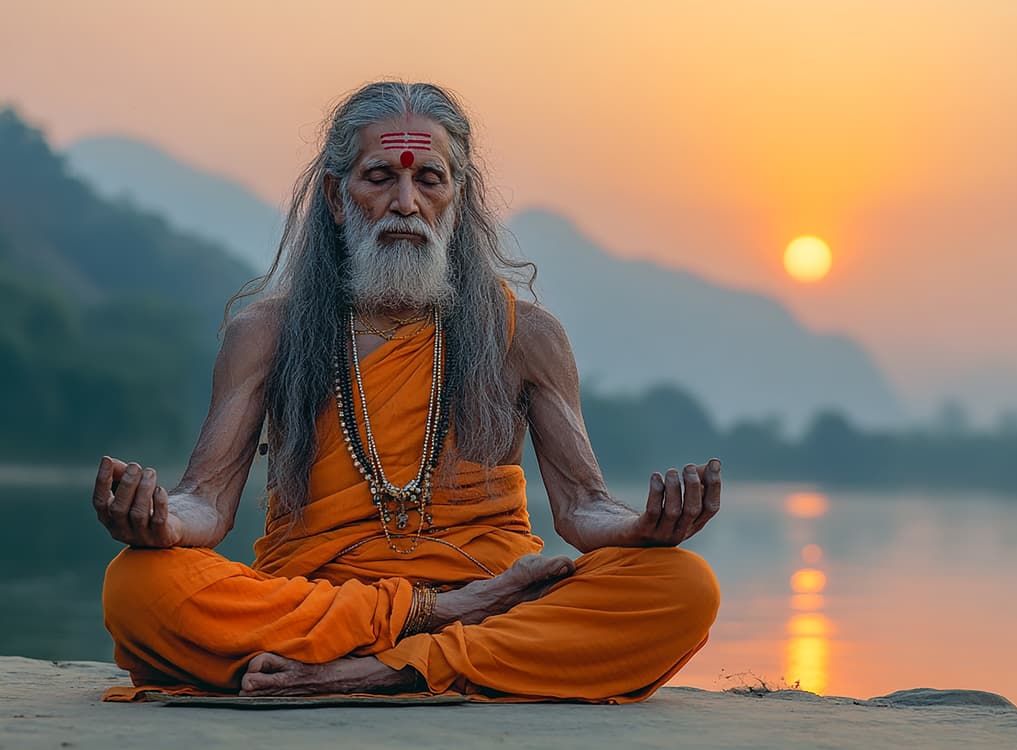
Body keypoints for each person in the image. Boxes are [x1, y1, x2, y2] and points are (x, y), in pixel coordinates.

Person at [93, 81, 722, 703]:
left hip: (486, 591)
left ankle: (380, 670)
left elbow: (583, 505)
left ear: (458, 198)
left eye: (428, 179)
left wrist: (640, 526)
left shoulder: (526, 334)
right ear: (337, 197)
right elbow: (207, 500)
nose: (405, 203)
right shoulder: (267, 332)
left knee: (682, 586)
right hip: (330, 600)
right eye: (379, 177)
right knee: (138, 584)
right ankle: (434, 632)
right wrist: (162, 519)